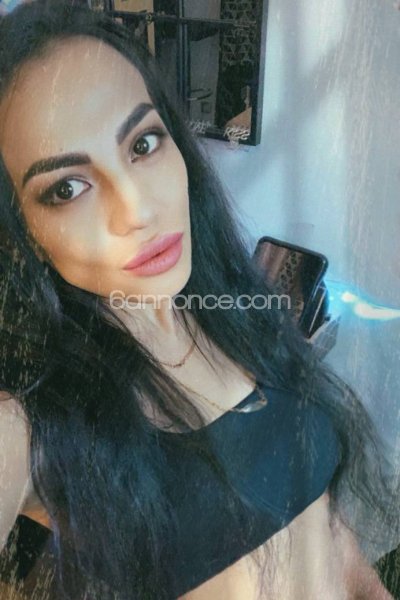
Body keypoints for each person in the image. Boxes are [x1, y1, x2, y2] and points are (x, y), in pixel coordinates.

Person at [0, 1, 398, 598]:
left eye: (143, 144)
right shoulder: (32, 423)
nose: (138, 208)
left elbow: (329, 535)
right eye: (67, 188)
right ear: (22, 233)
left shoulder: (240, 314)